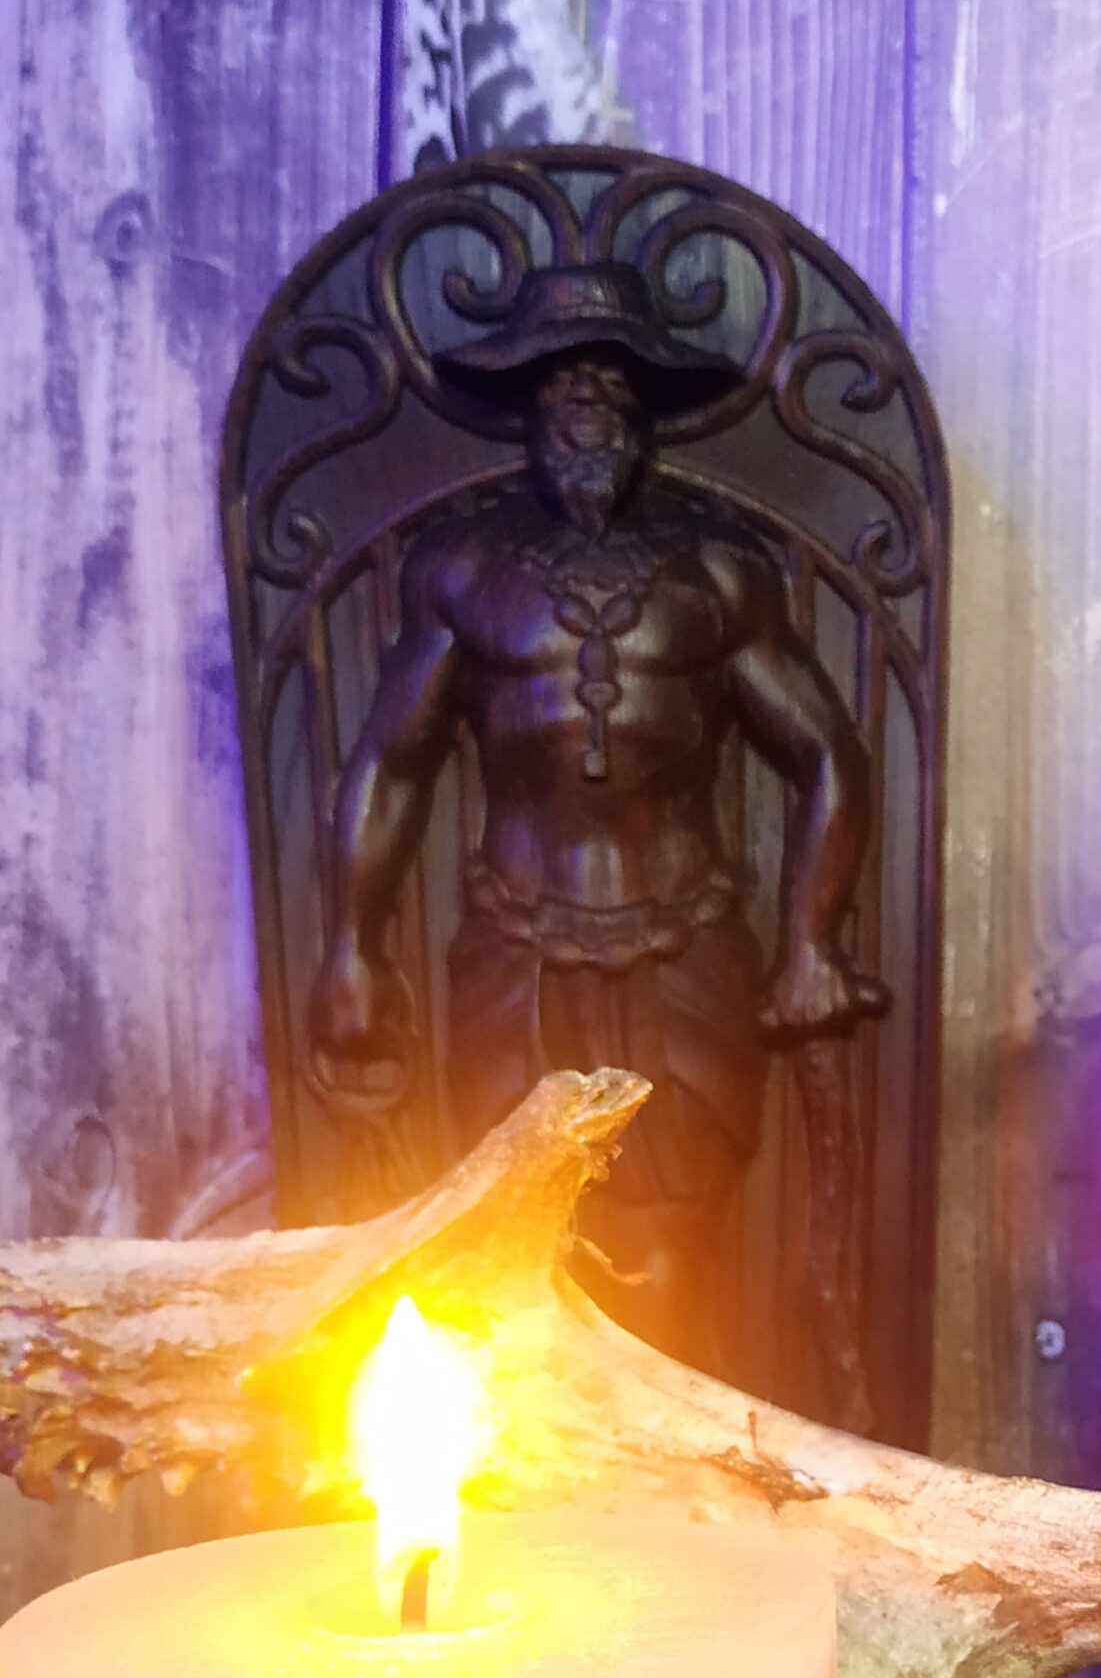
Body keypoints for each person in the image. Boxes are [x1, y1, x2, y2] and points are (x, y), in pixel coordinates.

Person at [310, 261, 878, 1376]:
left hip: (684, 956)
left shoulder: (719, 574)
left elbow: (829, 757)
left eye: (613, 386)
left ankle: (672, 1469)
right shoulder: (463, 571)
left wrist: (811, 943)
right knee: (518, 1241)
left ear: (647, 412)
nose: (588, 405)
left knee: (668, 1251)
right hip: (518, 956)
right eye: (562, 385)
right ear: (526, 409)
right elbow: (391, 765)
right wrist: (350, 949)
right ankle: (542, 1475)